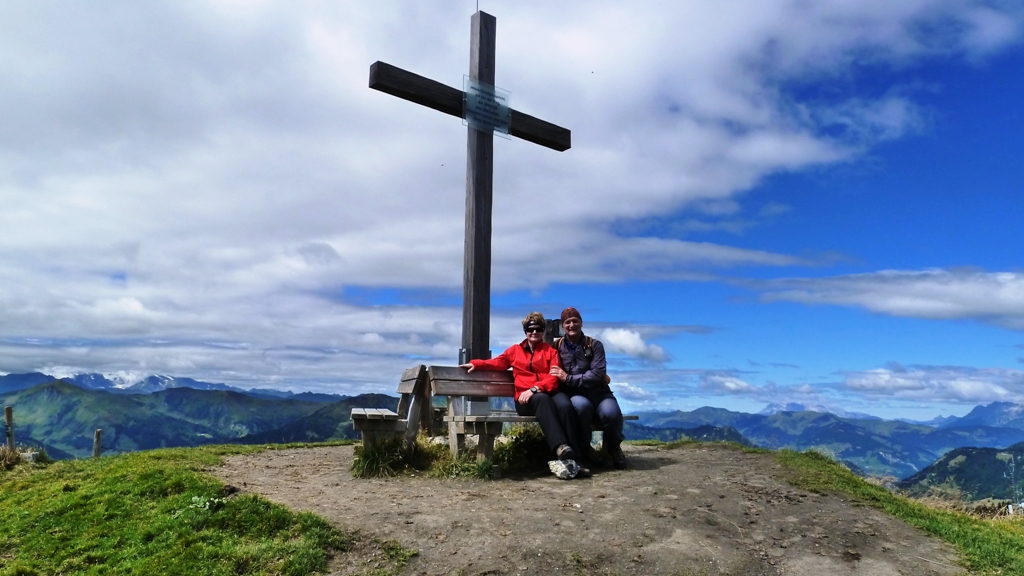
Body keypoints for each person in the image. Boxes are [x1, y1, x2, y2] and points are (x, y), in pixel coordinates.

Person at [459, 312, 591, 478]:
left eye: (538, 329)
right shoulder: (515, 351)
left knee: (565, 406)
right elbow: (497, 363)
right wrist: (476, 364)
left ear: (543, 331)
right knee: (542, 399)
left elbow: (553, 378)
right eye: (530, 329)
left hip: (545, 392)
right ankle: (560, 447)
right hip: (525, 400)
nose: (534, 332)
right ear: (525, 331)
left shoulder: (551, 352)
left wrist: (535, 388)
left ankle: (577, 460)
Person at [549, 307, 627, 469]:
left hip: (600, 393)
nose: (572, 325)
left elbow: (597, 374)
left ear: (581, 323)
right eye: (567, 322)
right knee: (581, 407)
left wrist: (568, 378)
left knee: (611, 414)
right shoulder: (556, 347)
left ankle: (614, 447)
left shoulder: (594, 345)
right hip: (576, 394)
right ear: (563, 326)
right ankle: (585, 448)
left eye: (575, 321)